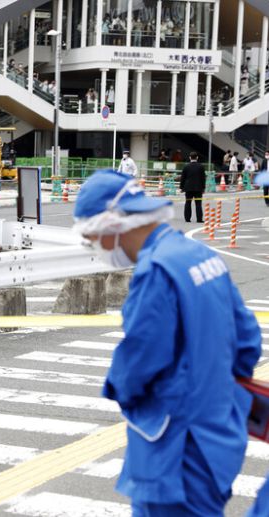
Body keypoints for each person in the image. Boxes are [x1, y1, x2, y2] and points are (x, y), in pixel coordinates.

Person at [73, 170, 262, 516]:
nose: (97, 247)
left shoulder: (156, 270)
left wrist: (120, 390)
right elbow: (247, 339)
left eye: (93, 238)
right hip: (219, 434)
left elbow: (139, 362)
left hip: (175, 448)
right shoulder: (198, 254)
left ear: (112, 225)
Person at [179, 151, 206, 223]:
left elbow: (183, 178)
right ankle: (199, 219)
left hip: (188, 188)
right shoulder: (201, 166)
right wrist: (203, 188)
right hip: (198, 188)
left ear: (189, 157)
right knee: (198, 203)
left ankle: (187, 218)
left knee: (188, 203)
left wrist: (181, 187)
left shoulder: (186, 166)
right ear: (197, 157)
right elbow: (203, 178)